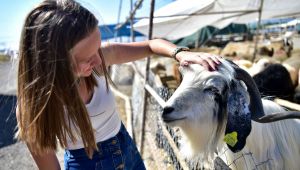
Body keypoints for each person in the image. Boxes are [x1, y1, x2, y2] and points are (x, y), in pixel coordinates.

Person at [15, 0, 221, 169]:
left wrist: (180, 53)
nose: (99, 61)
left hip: (125, 146)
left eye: (98, 48)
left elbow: (151, 45)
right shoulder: (34, 107)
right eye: (86, 58)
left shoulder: (98, 58)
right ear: (54, 62)